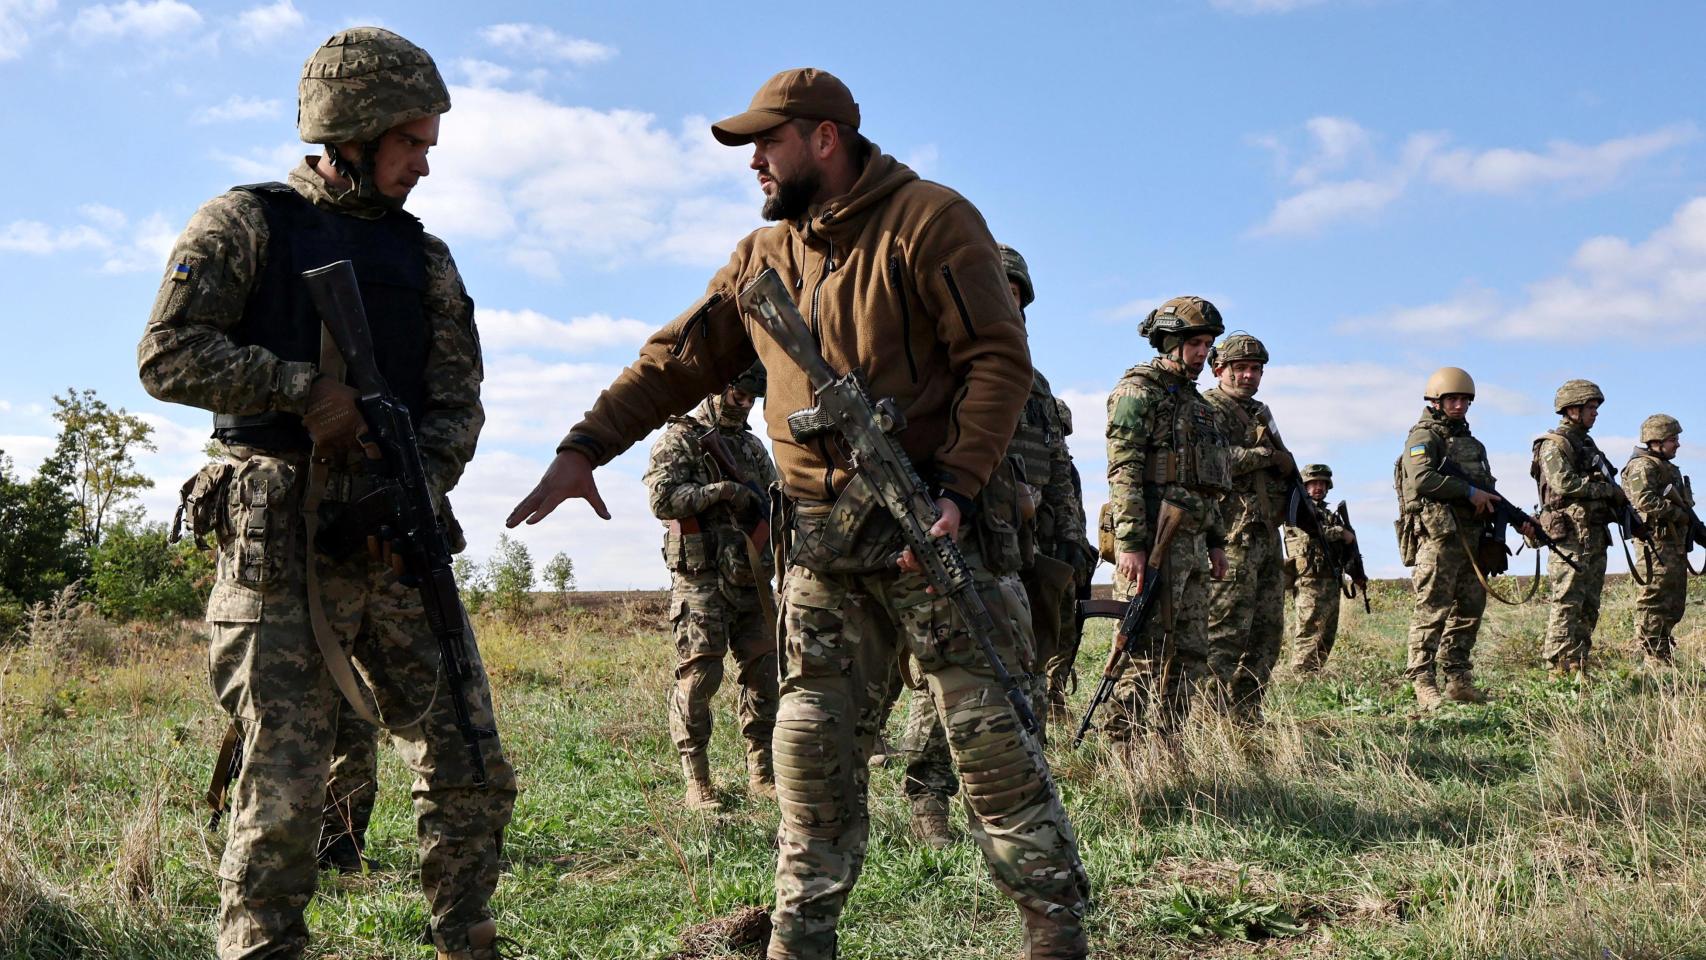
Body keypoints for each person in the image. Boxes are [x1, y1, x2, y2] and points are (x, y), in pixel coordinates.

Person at [506, 68, 1088, 960]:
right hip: (822, 549)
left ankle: (1051, 928)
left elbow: (997, 360)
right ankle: (798, 938)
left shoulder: (933, 220)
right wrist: (584, 447)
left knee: (989, 743)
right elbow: (677, 362)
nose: (755, 166)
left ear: (824, 138)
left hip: (933, 539)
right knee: (809, 745)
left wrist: (959, 488)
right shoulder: (761, 257)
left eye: (766, 145)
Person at [137, 28, 516, 960]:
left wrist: (413, 485)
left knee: (469, 759)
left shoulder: (426, 259)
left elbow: (457, 399)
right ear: (353, 128)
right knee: (286, 780)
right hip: (279, 539)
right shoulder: (246, 223)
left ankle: (465, 933)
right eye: (412, 142)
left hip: (396, 538)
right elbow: (167, 354)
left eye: (429, 144)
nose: (426, 163)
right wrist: (300, 388)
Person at [642, 364, 780, 810]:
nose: (744, 404)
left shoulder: (753, 447)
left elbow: (774, 501)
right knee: (700, 678)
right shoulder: (680, 438)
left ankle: (761, 772)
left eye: (752, 397)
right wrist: (722, 492)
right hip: (699, 582)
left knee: (764, 675)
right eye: (739, 393)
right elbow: (662, 500)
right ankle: (697, 781)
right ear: (720, 387)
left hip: (750, 577)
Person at [1102, 297, 1231, 740]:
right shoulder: (1137, 392)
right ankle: (1124, 749)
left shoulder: (1201, 408)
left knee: (1192, 651)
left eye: (1208, 343)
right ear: (1170, 342)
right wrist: (1131, 544)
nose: (1203, 352)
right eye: (1195, 342)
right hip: (1155, 545)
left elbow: (1208, 481)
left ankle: (1169, 743)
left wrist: (1217, 540)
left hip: (1193, 546)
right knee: (1143, 650)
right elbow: (1124, 471)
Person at [996, 245, 1097, 722]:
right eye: (998, 289)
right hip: (981, 535)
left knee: (1036, 644)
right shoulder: (948, 369)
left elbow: (1059, 466)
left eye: (1015, 293)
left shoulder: (1035, 384)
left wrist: (1073, 537)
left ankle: (1032, 739)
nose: (1007, 301)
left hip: (1035, 539)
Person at [1396, 367, 1525, 709]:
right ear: (1436, 401)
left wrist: (1514, 520)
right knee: (1432, 608)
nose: (1458, 406)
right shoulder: (1423, 437)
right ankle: (1423, 681)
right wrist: (1468, 491)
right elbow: (1423, 479)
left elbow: (1488, 490)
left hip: (1471, 538)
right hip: (1439, 539)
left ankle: (1458, 679)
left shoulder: (1472, 444)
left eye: (1464, 400)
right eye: (1451, 399)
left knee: (1470, 609)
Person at [1202, 334, 1292, 721]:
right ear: (1220, 369)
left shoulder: (1260, 413)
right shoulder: (1208, 408)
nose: (1249, 376)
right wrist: (1266, 457)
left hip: (1265, 534)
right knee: (1224, 632)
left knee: (1267, 632)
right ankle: (1209, 718)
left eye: (1255, 369)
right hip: (1230, 534)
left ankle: (1246, 715)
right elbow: (1211, 460)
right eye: (1240, 368)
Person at [1533, 380, 1622, 678]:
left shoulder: (1586, 443)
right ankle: (1558, 666)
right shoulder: (1554, 443)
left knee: (1589, 601)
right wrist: (1604, 491)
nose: (1595, 414)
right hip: (1569, 534)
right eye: (1590, 408)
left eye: (1595, 408)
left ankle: (1579, 661)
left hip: (1594, 533)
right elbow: (1564, 484)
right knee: (1567, 599)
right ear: (1572, 409)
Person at [1621, 414, 1694, 665]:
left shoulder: (1668, 468)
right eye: (1673, 439)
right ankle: (1651, 653)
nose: (1678, 444)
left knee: (1673, 599)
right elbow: (1644, 500)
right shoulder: (1643, 465)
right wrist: (1678, 514)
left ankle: (1663, 649)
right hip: (1655, 544)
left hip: (1672, 545)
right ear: (1656, 440)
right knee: (1654, 597)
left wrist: (1689, 521)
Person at [1284, 464, 1354, 674]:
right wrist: (1340, 532)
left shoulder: (1328, 514)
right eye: (1313, 483)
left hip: (1330, 579)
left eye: (1322, 483)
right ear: (1304, 486)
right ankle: (1300, 675)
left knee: (1327, 631)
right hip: (1309, 581)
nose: (1318, 487)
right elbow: (1309, 535)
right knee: (1309, 629)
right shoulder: (1296, 511)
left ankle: (1313, 673)